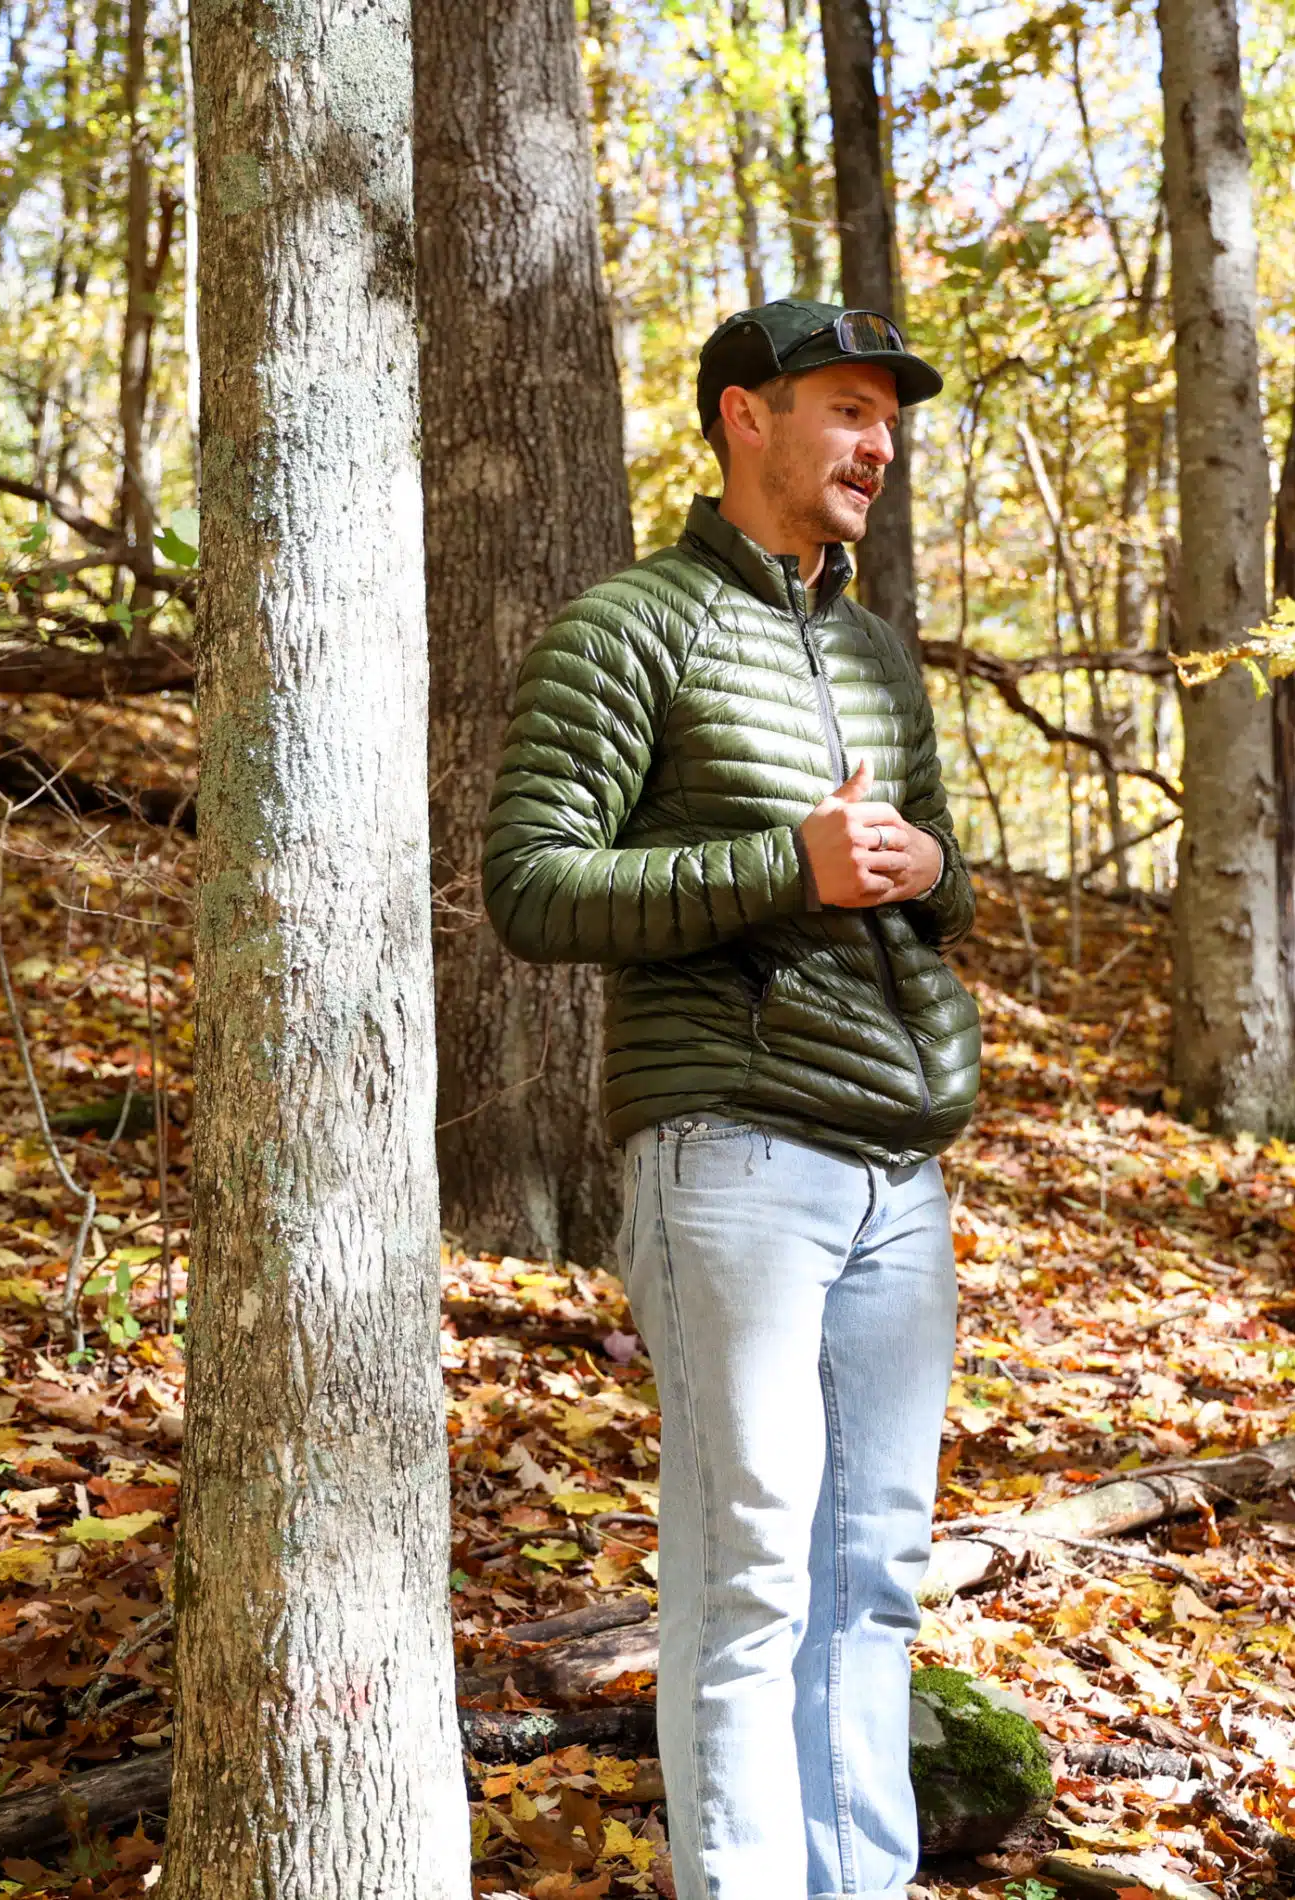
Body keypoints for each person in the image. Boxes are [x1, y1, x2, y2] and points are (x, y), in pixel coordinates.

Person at [483, 298, 981, 1900]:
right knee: (750, 1578)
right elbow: (531, 888)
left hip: (898, 1169)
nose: (877, 444)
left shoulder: (873, 651)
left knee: (873, 1579)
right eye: (845, 408)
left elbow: (935, 884)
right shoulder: (630, 628)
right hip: (732, 1152)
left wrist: (928, 867)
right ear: (741, 416)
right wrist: (786, 865)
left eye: (887, 418)